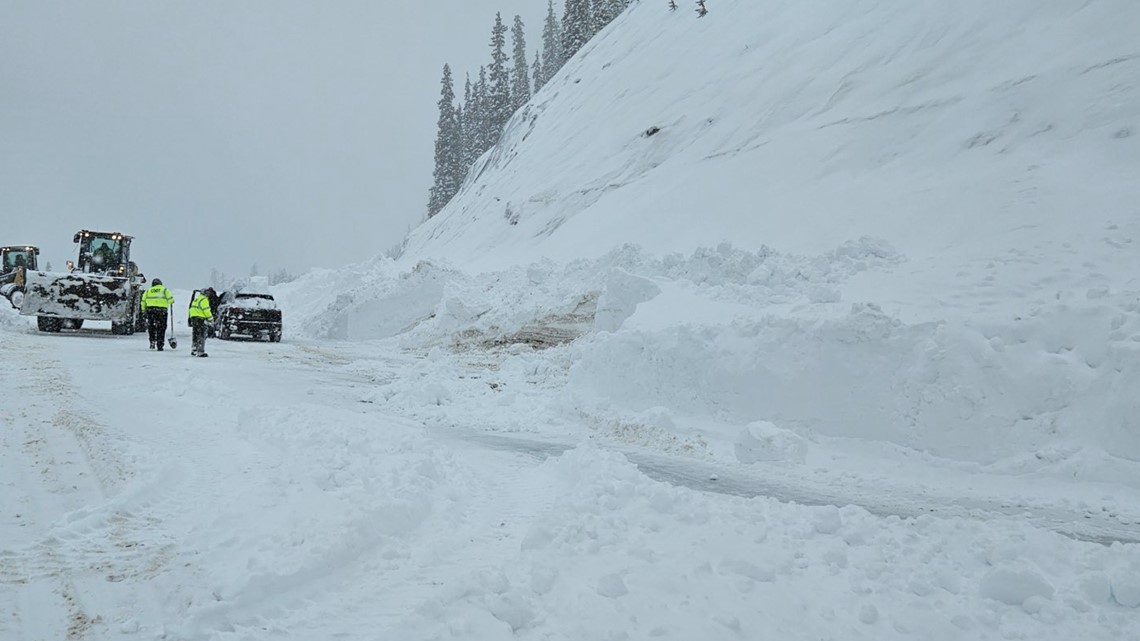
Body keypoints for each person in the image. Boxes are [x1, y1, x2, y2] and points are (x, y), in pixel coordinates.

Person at [140, 277, 174, 350]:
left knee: (151, 326)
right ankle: (160, 344)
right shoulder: (165, 290)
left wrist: (143, 310)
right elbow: (171, 300)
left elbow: (143, 301)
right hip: (162, 311)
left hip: (150, 310)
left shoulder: (148, 291)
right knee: (161, 327)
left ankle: (152, 341)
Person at [188, 288, 215, 357]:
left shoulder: (196, 300)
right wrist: (211, 319)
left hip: (194, 318)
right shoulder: (204, 300)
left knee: (195, 334)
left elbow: (191, 308)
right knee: (202, 335)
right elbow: (206, 310)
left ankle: (194, 350)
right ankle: (200, 351)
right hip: (201, 319)